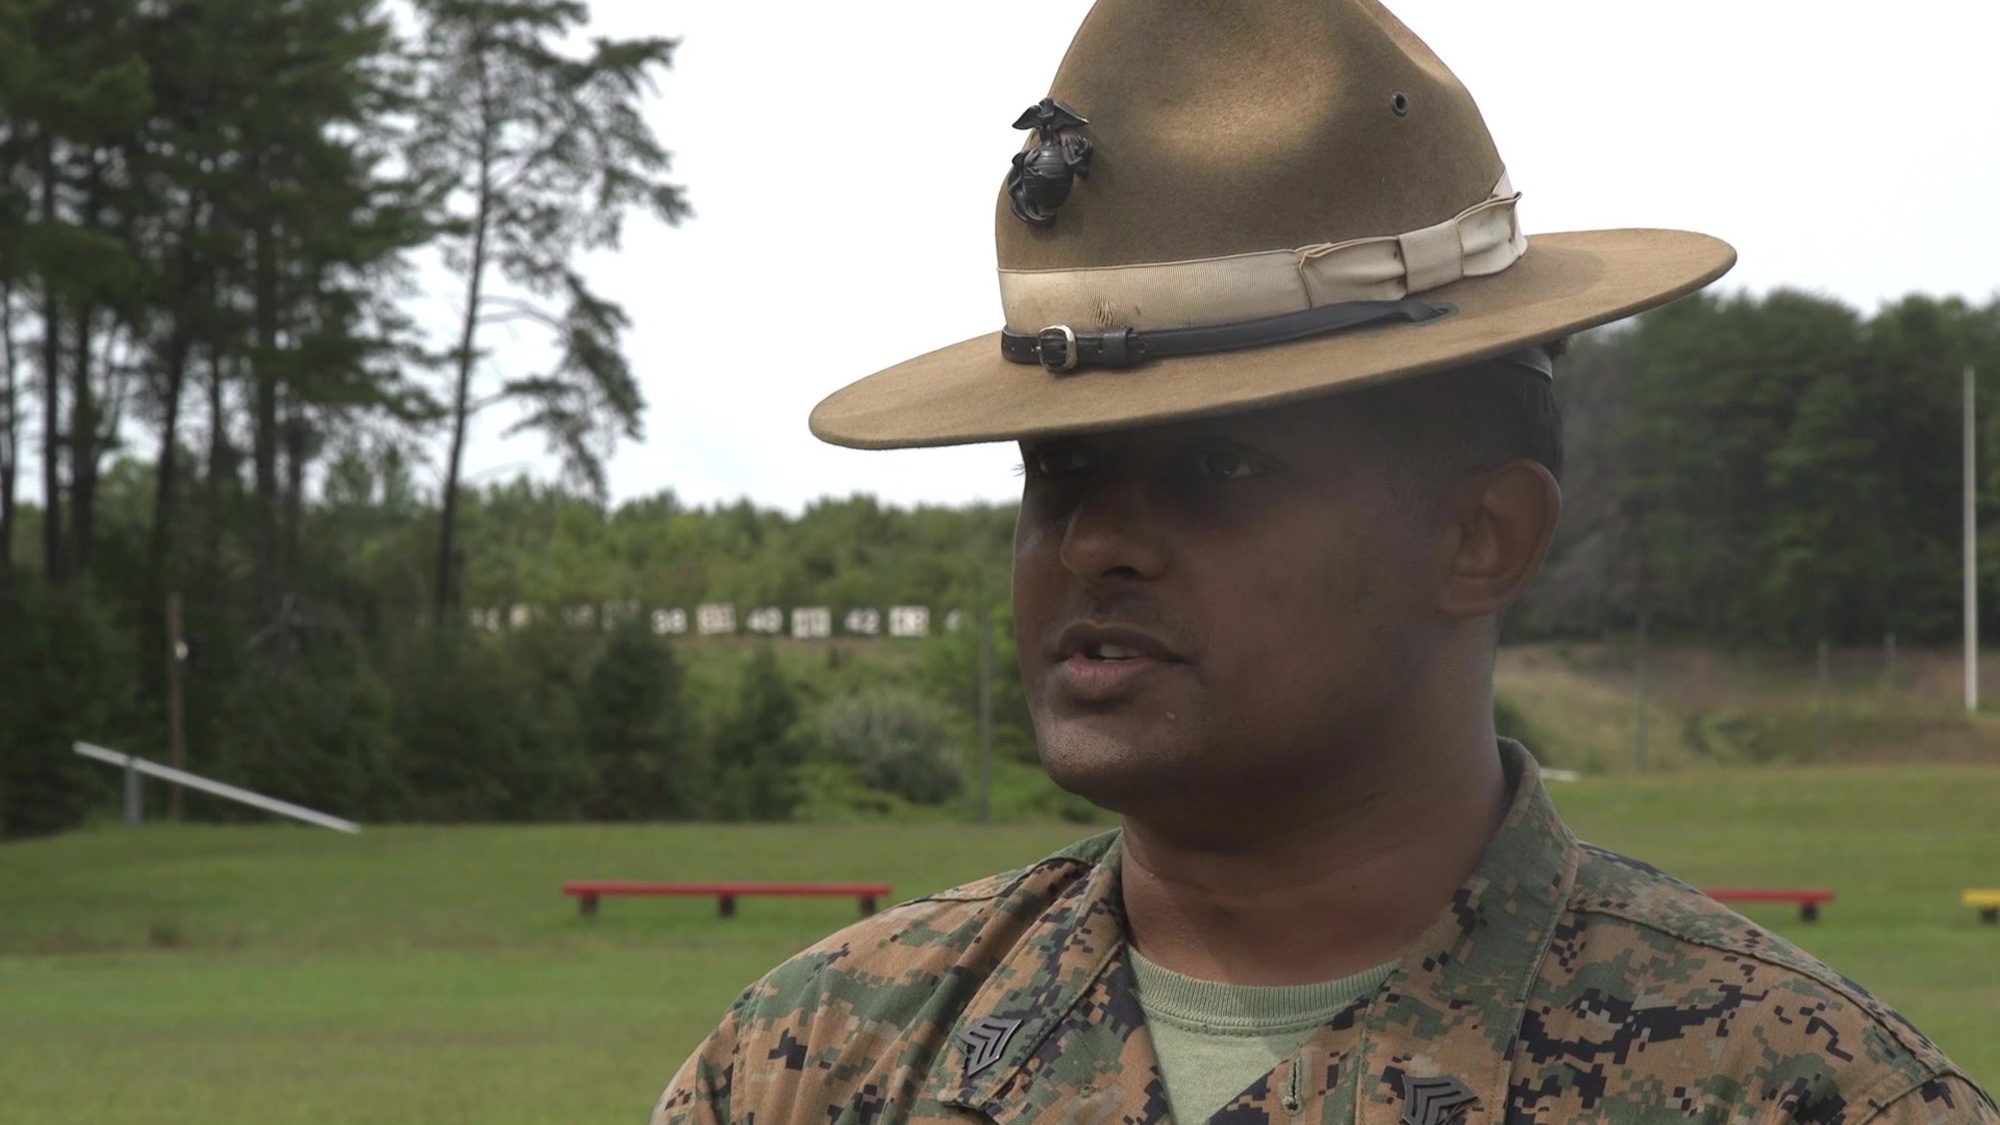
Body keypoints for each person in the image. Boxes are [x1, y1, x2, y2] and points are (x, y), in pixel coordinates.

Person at [653, 1, 1999, 1122]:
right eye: (1057, 467)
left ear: (1482, 537)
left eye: (1220, 466)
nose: (1097, 539)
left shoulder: (1792, 1089)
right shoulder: (818, 1062)